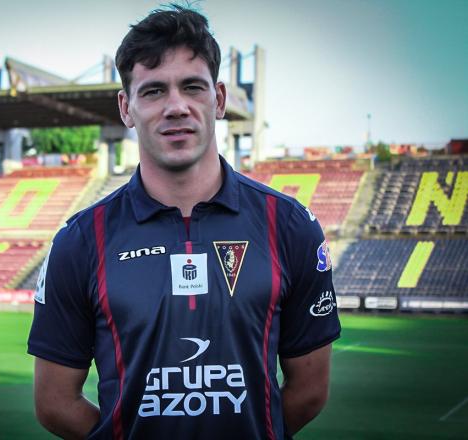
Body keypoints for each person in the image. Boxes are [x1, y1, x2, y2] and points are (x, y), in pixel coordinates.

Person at [28, 5, 340, 439]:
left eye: (192, 87)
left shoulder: (288, 225)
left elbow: (309, 391)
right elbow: (54, 402)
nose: (176, 107)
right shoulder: (80, 241)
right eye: (154, 91)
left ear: (219, 99)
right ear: (126, 107)